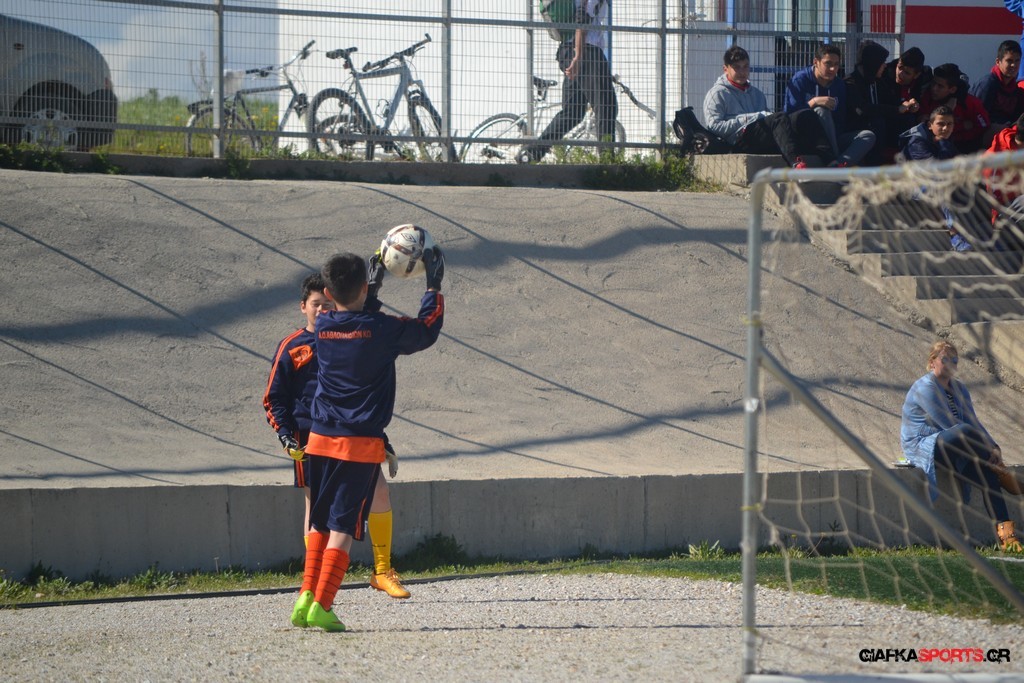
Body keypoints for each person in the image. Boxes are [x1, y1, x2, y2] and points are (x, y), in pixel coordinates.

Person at [291, 247, 445, 631]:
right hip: (357, 444)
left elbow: (355, 320)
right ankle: (324, 605)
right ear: (363, 286)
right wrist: (433, 286)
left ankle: (305, 597)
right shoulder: (382, 330)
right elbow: (426, 329)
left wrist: (370, 292)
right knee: (343, 527)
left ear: (328, 294)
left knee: (319, 523)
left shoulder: (323, 326)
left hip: (319, 439)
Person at [264, 272, 410, 600]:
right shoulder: (292, 346)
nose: (321, 310)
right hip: (310, 437)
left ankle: (382, 571)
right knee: (316, 509)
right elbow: (274, 397)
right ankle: (314, 582)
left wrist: (382, 439)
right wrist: (285, 435)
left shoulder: (348, 338)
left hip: (354, 433)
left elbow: (363, 393)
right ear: (303, 306)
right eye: (315, 304)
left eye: (327, 304)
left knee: (380, 493)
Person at [900, 340, 1023, 552]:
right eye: (945, 359)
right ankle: (1003, 472)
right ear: (932, 362)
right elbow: (949, 424)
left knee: (988, 477)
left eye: (955, 360)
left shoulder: (959, 388)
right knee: (964, 431)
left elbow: (973, 421)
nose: (950, 364)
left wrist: (994, 447)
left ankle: (1007, 539)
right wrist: (986, 452)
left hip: (957, 446)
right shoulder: (925, 388)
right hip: (925, 445)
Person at [703, 45, 835, 169]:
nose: (742, 72)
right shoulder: (716, 93)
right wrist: (748, 119)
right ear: (725, 69)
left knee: (805, 115)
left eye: (746, 66)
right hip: (738, 141)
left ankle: (831, 162)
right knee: (778, 118)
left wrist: (761, 118)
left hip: (760, 139)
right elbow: (714, 126)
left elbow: (766, 120)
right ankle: (796, 164)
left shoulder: (757, 94)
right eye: (737, 67)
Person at [518, 0, 617, 163]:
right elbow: (582, 19)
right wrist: (578, 56)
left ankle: (531, 154)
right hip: (586, 52)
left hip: (569, 51)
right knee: (606, 106)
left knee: (572, 113)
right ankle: (607, 164)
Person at [784, 43, 877, 166]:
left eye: (836, 64)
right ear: (816, 62)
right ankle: (833, 160)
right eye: (828, 63)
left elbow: (840, 120)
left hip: (833, 139)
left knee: (868, 136)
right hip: (807, 138)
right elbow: (789, 117)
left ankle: (836, 166)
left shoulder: (839, 85)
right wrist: (813, 102)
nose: (833, 69)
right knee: (822, 110)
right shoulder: (799, 80)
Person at [919, 63, 990, 154]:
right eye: (933, 83)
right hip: (934, 146)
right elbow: (923, 125)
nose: (934, 88)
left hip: (967, 146)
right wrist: (962, 126)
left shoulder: (970, 103)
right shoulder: (927, 97)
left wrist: (959, 135)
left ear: (952, 89)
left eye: (940, 86)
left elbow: (984, 125)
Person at [844, 40, 894, 164]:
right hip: (853, 132)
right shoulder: (851, 82)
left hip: (872, 130)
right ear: (873, 64)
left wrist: (907, 105)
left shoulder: (876, 81)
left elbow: (891, 101)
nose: (885, 66)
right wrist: (896, 109)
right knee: (878, 121)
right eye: (882, 62)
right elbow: (863, 109)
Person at [969, 40, 1024, 147]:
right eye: (1009, 61)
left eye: (1017, 61)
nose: (1014, 65)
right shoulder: (988, 84)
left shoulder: (1015, 88)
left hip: (1007, 128)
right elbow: (977, 117)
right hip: (982, 135)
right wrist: (1006, 127)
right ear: (998, 62)